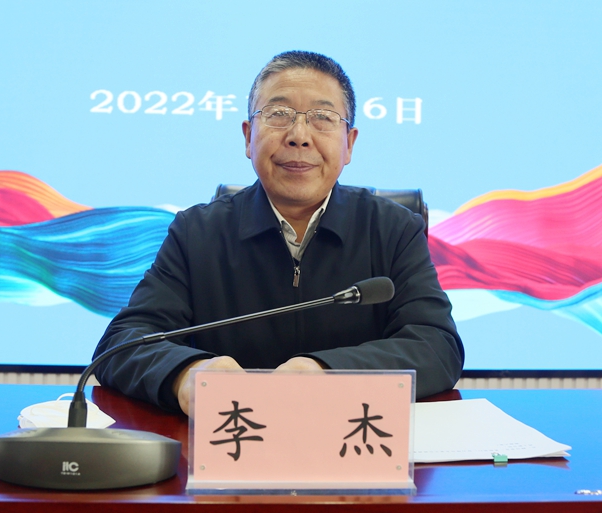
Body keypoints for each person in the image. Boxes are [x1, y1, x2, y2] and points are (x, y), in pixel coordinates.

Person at [93, 51, 464, 416]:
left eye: (322, 118)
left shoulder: (393, 229)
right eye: (278, 114)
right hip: (229, 439)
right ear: (248, 137)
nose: (299, 136)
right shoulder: (197, 233)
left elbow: (437, 346)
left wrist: (327, 372)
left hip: (355, 439)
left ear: (349, 143)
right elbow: (122, 344)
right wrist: (187, 374)